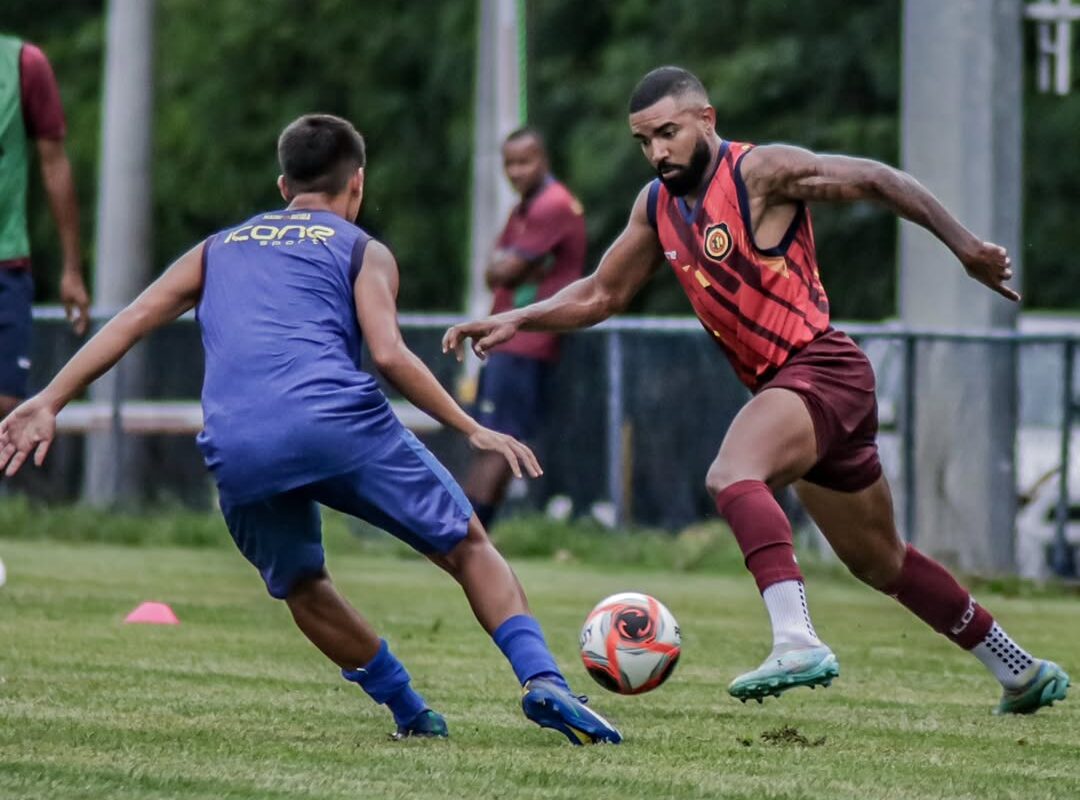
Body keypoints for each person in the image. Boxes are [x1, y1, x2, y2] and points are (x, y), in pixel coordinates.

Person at [444, 67, 1070, 715]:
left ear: (706, 120)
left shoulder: (760, 173)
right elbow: (602, 292)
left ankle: (795, 639)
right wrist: (519, 316)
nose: (657, 151)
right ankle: (1019, 669)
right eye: (644, 141)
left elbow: (881, 181)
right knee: (880, 561)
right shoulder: (656, 206)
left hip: (819, 369)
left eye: (668, 133)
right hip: (794, 389)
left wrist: (967, 248)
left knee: (733, 474)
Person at [0, 114, 621, 745]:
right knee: (467, 547)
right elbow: (389, 355)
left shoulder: (218, 249)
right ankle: (541, 678)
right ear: (357, 184)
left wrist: (49, 398)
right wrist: (471, 428)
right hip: (336, 423)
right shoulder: (362, 250)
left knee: (302, 583)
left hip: (238, 441)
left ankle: (412, 713)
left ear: (282, 184)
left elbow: (131, 320)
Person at [464, 127, 586, 529]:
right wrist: (510, 267)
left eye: (524, 161)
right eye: (509, 163)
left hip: (522, 344)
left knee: (495, 443)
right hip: (517, 344)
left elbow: (505, 270)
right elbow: (493, 273)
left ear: (543, 161)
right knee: (501, 440)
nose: (515, 171)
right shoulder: (526, 208)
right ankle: (472, 536)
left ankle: (462, 535)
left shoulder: (551, 206)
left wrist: (515, 266)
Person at [0, 33, 91, 418]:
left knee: (6, 405)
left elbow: (54, 165)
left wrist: (71, 269)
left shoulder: (23, 64)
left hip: (6, 260)